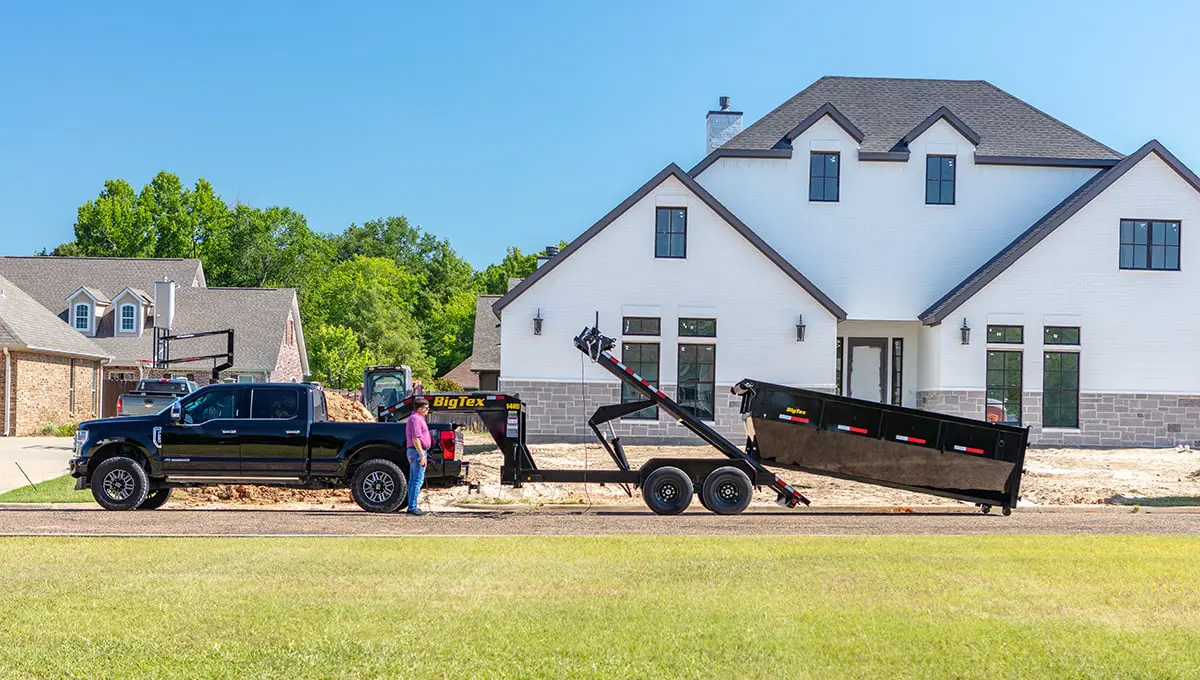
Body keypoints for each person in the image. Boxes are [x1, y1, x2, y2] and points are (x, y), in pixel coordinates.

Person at [405, 397, 432, 516]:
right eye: (426, 408)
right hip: (417, 452)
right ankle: (412, 507)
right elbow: (415, 438)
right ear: (420, 408)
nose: (428, 410)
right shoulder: (415, 419)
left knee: (413, 480)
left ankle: (412, 505)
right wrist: (422, 455)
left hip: (415, 452)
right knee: (417, 480)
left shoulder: (417, 418)